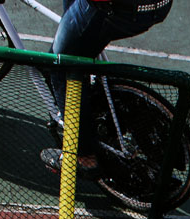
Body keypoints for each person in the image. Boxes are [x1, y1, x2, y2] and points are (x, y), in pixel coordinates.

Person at [39, 0, 173, 174]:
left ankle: (85, 156)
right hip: (156, 6)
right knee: (79, 38)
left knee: (61, 66)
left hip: (117, 10)